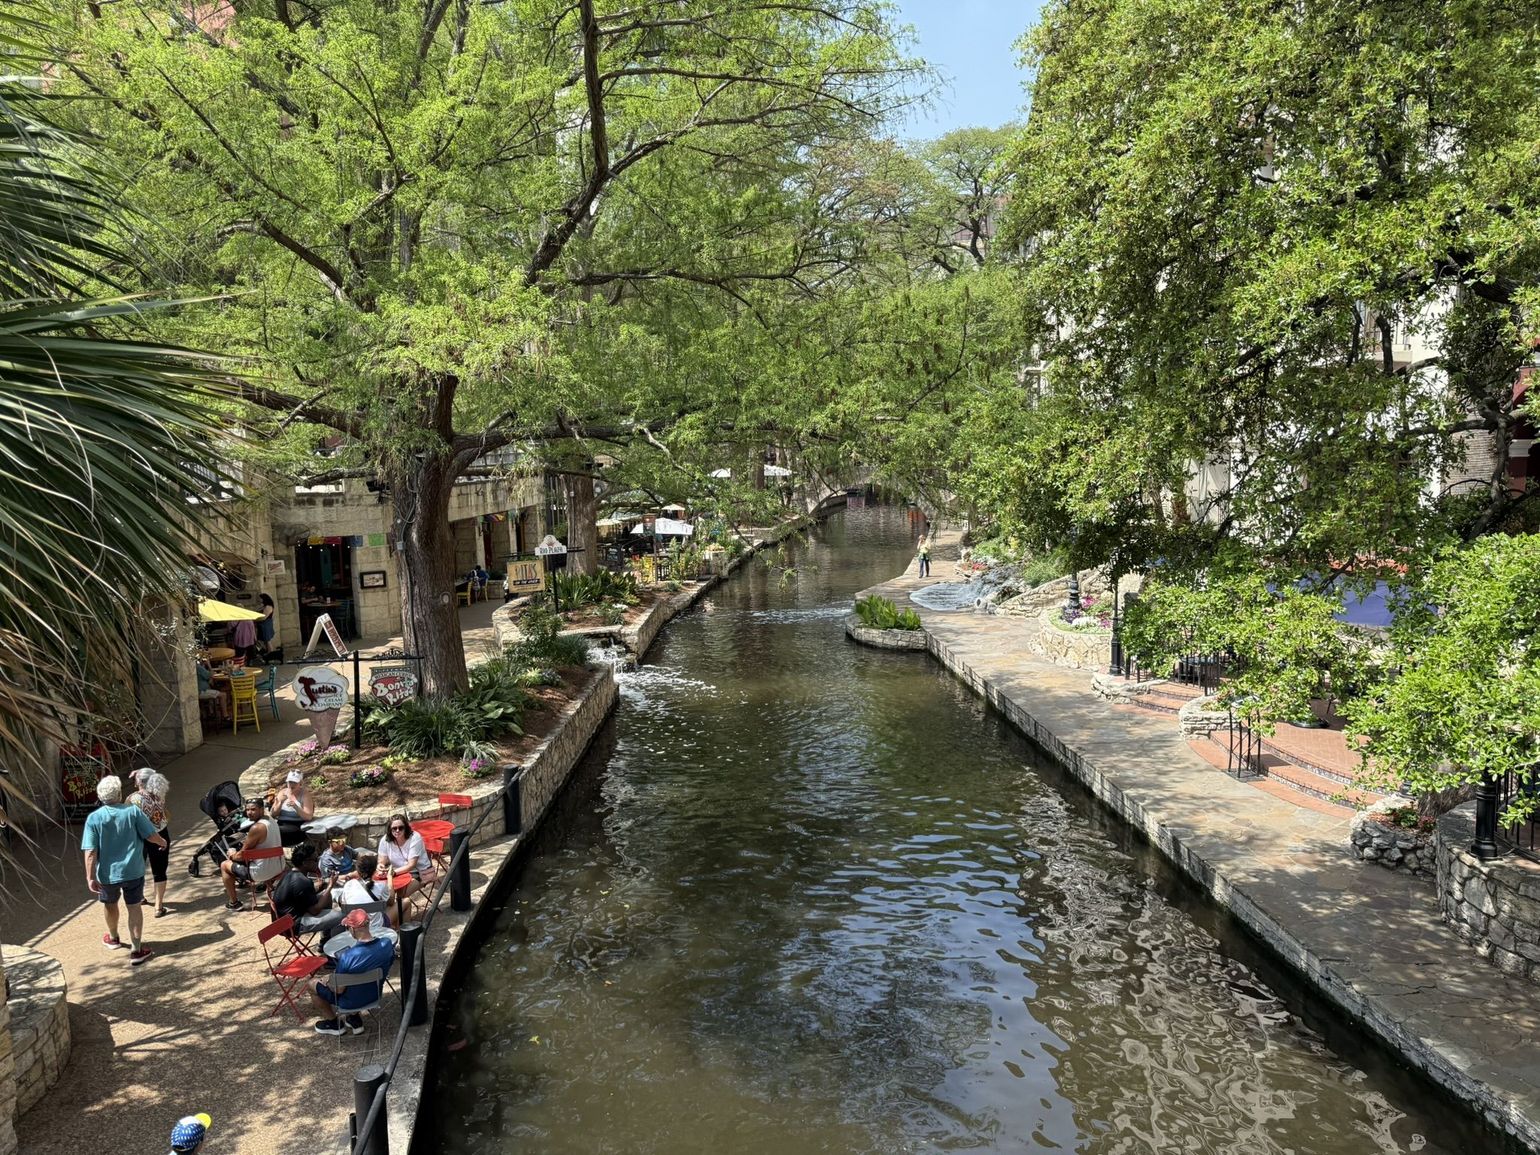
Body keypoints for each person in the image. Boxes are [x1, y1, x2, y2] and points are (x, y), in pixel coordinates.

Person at [82, 775, 165, 965]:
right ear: (119, 793)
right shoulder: (132, 812)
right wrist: (162, 842)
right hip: (133, 871)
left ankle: (113, 937)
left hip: (107, 874)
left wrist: (89, 877)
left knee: (110, 905)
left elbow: (90, 851)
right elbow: (151, 835)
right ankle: (137, 950)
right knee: (134, 907)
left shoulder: (94, 819)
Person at [309, 908, 396, 1035]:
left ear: (352, 929)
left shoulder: (347, 957)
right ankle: (354, 1019)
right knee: (355, 980)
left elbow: (338, 989)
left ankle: (334, 1024)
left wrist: (328, 980)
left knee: (311, 984)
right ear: (368, 924)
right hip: (374, 993)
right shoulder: (387, 944)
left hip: (349, 1001)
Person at [220, 796, 284, 910]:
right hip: (279, 865)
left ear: (261, 809)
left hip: (263, 871)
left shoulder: (257, 827)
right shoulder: (271, 821)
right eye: (247, 809)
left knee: (225, 865)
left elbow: (241, 856)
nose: (249, 813)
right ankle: (270, 887)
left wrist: (232, 854)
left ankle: (234, 903)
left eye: (253, 809)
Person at [272, 843, 345, 939]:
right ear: (305, 863)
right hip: (293, 925)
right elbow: (315, 910)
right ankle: (332, 948)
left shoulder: (289, 874)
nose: (317, 862)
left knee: (327, 897)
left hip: (285, 919)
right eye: (315, 860)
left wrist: (323, 887)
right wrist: (330, 885)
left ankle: (325, 939)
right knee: (342, 916)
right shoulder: (302, 881)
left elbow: (302, 895)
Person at [128, 768, 173, 918]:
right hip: (161, 834)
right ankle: (159, 906)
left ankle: (140, 896)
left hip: (140, 836)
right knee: (160, 870)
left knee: (138, 866)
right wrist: (142, 774)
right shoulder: (160, 795)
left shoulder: (133, 798)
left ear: (138, 782)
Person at [377, 813, 434, 911]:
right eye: (394, 828)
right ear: (390, 830)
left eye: (401, 827)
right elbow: (382, 860)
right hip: (399, 873)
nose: (397, 830)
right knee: (383, 891)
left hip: (421, 872)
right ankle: (392, 918)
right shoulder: (385, 840)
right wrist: (380, 866)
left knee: (400, 894)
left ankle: (400, 920)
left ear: (406, 827)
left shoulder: (415, 838)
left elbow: (411, 865)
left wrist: (392, 873)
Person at [339, 851, 392, 931]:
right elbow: (391, 902)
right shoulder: (380, 886)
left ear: (357, 871)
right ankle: (399, 936)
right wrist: (390, 877)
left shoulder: (348, 885)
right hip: (377, 929)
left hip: (356, 931)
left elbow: (344, 903)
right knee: (405, 902)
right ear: (375, 871)